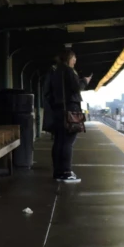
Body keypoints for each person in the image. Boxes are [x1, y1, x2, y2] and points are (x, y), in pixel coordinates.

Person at [43, 49, 92, 183]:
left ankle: (58, 172)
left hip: (57, 111)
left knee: (59, 141)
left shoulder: (54, 71)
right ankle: (66, 172)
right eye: (74, 58)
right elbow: (76, 88)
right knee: (68, 143)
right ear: (69, 58)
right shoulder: (68, 71)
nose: (75, 60)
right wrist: (85, 81)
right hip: (70, 110)